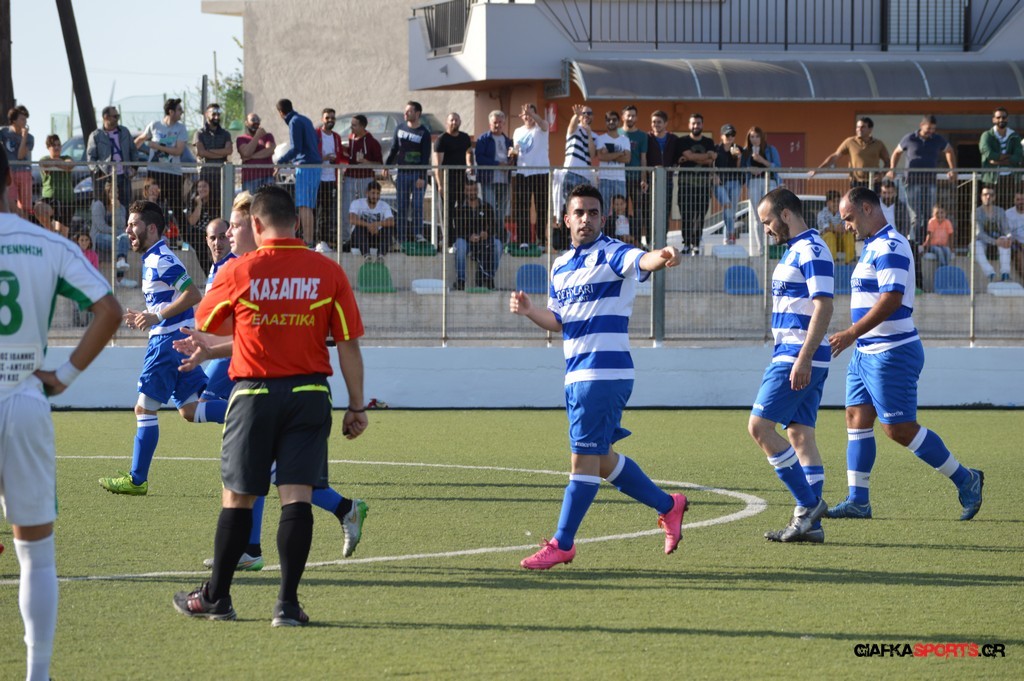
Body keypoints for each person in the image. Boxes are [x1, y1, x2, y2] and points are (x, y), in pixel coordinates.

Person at [172, 184, 367, 627]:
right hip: (310, 395)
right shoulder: (328, 271)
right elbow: (348, 344)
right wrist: (357, 406)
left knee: (238, 498)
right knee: (296, 496)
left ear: (256, 225)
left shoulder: (239, 270)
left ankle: (217, 598)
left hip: (254, 395)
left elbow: (207, 321)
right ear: (296, 223)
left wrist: (243, 323)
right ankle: (287, 606)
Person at [508, 183, 688, 569]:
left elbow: (642, 261)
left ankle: (563, 543)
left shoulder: (613, 253)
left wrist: (663, 255)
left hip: (603, 374)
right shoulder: (560, 266)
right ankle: (668, 505)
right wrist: (529, 312)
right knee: (601, 459)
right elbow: (558, 320)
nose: (586, 219)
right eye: (579, 212)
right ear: (566, 219)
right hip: (577, 375)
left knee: (582, 461)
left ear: (603, 218)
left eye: (593, 213)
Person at [0, 144, 122, 681]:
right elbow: (109, 310)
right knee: (36, 555)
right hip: (25, 397)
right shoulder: (45, 242)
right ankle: (38, 673)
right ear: (11, 182)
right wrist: (64, 376)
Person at [827, 187, 984, 522]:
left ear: (867, 208)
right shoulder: (872, 246)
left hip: (892, 352)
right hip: (866, 353)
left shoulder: (891, 244)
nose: (846, 226)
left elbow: (892, 298)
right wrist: (857, 339)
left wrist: (852, 332)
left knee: (898, 429)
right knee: (856, 418)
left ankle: (966, 478)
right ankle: (858, 500)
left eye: (849, 218)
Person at [98, 200, 212, 496]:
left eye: (133, 224)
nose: (127, 230)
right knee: (191, 410)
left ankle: (137, 480)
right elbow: (171, 299)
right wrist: (148, 315)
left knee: (144, 409)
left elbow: (193, 294)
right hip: (176, 341)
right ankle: (250, 415)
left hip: (166, 344)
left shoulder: (161, 259)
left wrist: (156, 317)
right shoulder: (154, 258)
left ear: (151, 228)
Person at [749, 187, 834, 543]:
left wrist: (804, 357)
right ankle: (810, 526)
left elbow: (824, 306)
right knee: (800, 436)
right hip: (795, 353)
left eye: (767, 221)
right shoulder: (794, 250)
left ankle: (809, 505)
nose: (766, 229)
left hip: (797, 355)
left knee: (759, 428)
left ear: (785, 215)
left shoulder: (812, 249)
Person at [888, 115, 956, 250]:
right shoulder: (909, 138)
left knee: (929, 215)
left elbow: (949, 150)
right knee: (916, 215)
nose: (931, 131)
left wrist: (952, 169)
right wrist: (892, 169)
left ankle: (926, 245)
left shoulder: (937, 139)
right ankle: (914, 244)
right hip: (912, 182)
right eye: (929, 128)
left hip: (930, 183)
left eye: (933, 129)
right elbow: (896, 153)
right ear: (921, 126)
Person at [384, 101, 433, 243]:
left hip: (418, 175)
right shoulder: (399, 128)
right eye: (405, 111)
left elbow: (425, 157)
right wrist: (387, 166)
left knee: (417, 205)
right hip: (402, 174)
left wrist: (422, 176)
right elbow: (394, 149)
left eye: (409, 111)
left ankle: (418, 235)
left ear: (417, 114)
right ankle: (401, 237)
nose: (405, 113)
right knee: (402, 206)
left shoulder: (424, 133)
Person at [276, 98, 322, 247]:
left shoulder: (294, 122)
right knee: (308, 206)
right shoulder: (305, 120)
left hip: (305, 166)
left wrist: (280, 161)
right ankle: (309, 240)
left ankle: (307, 241)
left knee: (304, 206)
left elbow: (296, 148)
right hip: (315, 166)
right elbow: (316, 140)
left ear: (281, 112)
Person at [136, 98, 188, 220]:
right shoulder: (155, 125)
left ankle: (184, 232)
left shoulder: (181, 128)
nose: (182, 112)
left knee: (177, 209)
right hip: (155, 173)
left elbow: (178, 151)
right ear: (171, 112)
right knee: (153, 207)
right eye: (179, 109)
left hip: (173, 173)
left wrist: (157, 146)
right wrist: (129, 155)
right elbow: (140, 139)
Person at [810, 116, 889, 190]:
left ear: (870, 129)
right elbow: (835, 156)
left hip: (874, 183)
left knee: (873, 201)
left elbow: (887, 161)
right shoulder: (850, 142)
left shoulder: (878, 144)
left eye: (863, 127)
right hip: (856, 182)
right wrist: (818, 169)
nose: (859, 129)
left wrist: (882, 174)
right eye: (857, 127)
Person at [676, 113, 717, 254]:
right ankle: (686, 244)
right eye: (693, 123)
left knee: (700, 216)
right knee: (686, 215)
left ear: (702, 125)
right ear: (689, 125)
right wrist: (705, 157)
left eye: (698, 123)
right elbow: (692, 155)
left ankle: (696, 244)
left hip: (703, 185)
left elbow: (711, 159)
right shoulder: (683, 141)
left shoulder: (709, 142)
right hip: (686, 185)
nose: (696, 126)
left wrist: (692, 158)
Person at [341, 114, 383, 248]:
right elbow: (350, 155)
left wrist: (366, 162)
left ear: (362, 126)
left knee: (366, 209)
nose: (351, 127)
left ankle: (368, 239)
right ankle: (346, 239)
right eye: (351, 124)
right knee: (346, 208)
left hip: (366, 178)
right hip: (350, 177)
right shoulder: (351, 138)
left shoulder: (372, 142)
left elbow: (379, 163)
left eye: (354, 125)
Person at [511, 104, 550, 246]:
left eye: (531, 113)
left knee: (542, 206)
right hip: (523, 172)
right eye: (526, 114)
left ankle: (541, 240)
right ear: (521, 116)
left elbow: (543, 124)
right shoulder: (517, 131)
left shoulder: (541, 128)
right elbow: (517, 149)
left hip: (541, 172)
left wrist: (532, 114)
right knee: (522, 207)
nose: (528, 117)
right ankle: (524, 240)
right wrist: (513, 152)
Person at [86, 105, 139, 210]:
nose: (117, 119)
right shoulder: (96, 135)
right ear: (106, 117)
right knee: (106, 206)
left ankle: (124, 221)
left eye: (118, 116)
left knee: (126, 206)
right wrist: (98, 171)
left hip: (124, 176)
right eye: (115, 116)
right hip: (106, 178)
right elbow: (90, 157)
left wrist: (134, 167)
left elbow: (133, 150)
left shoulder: (124, 131)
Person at [452, 180, 500, 290]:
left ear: (477, 190)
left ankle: (489, 277)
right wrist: (469, 236)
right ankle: (461, 280)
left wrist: (487, 233)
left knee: (497, 244)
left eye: (474, 190)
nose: (472, 192)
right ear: (465, 191)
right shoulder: (459, 209)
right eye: (469, 190)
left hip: (484, 242)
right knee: (460, 245)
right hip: (466, 242)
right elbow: (456, 230)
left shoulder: (487, 207)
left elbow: (494, 227)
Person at [433, 112, 474, 239]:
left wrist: (469, 164)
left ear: (460, 122)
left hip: (461, 179)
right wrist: (440, 185)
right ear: (447, 122)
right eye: (452, 120)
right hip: (446, 179)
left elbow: (469, 151)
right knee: (447, 211)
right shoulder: (441, 140)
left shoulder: (465, 137)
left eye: (456, 120)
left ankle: (460, 238)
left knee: (461, 210)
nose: (454, 122)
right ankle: (447, 240)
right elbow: (437, 165)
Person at [474, 110, 513, 241]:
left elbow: (512, 158)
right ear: (490, 123)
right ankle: (491, 235)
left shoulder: (508, 141)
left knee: (502, 210)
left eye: (500, 122)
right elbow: (479, 158)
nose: (498, 125)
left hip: (505, 180)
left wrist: (511, 162)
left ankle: (499, 236)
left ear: (504, 123)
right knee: (489, 208)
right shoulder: (483, 139)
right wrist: (497, 164)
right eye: (495, 122)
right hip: (488, 179)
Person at [89, 179, 135, 288]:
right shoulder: (98, 205)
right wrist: (117, 232)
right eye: (112, 192)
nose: (115, 194)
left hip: (114, 237)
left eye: (117, 192)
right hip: (99, 237)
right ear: (106, 192)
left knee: (123, 237)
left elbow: (121, 224)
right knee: (121, 238)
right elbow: (101, 227)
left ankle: (121, 262)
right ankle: (120, 278)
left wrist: (117, 209)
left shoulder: (121, 207)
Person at [742, 126, 781, 255]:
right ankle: (761, 249)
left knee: (772, 214)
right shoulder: (746, 151)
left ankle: (773, 245)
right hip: (754, 182)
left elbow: (777, 167)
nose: (754, 139)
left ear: (762, 137)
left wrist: (762, 161)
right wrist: (750, 169)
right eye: (752, 137)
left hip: (769, 181)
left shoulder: (770, 149)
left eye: (757, 136)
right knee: (757, 216)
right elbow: (742, 167)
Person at [979, 106, 1022, 207]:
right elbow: (988, 153)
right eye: (998, 117)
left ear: (1007, 119)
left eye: (1004, 117)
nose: (1001, 120)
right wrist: (1009, 158)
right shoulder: (987, 135)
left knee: (1010, 207)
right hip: (991, 179)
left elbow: (1018, 156)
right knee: (991, 208)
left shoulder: (1015, 136)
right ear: (993, 119)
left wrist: (997, 161)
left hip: (1011, 179)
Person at [646, 110, 680, 239]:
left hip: (667, 181)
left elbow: (678, 157)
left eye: (659, 122)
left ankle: (663, 240)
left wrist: (675, 164)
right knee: (649, 211)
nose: (656, 124)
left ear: (665, 123)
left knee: (665, 211)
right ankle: (650, 240)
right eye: (653, 122)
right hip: (650, 181)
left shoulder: (673, 139)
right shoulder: (647, 138)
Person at [314, 108, 343, 254]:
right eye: (327, 118)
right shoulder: (316, 134)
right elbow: (311, 154)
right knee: (317, 211)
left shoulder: (336, 137)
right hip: (318, 178)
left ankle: (324, 241)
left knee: (328, 211)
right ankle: (318, 241)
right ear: (322, 119)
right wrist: (324, 158)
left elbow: (340, 155)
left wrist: (336, 161)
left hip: (331, 178)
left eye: (333, 118)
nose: (330, 120)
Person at [621, 105, 650, 247]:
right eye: (628, 115)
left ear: (636, 118)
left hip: (636, 179)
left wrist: (644, 179)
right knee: (621, 211)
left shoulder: (642, 136)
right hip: (620, 179)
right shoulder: (618, 133)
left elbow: (643, 158)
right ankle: (622, 240)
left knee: (638, 211)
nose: (630, 118)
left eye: (633, 115)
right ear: (623, 117)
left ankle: (637, 240)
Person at [194, 102, 233, 205]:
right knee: (205, 204)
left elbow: (229, 151)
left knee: (221, 204)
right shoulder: (199, 133)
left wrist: (208, 151)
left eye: (218, 114)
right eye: (214, 114)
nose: (216, 117)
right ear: (206, 114)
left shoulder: (225, 134)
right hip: (205, 175)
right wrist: (221, 153)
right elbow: (200, 152)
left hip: (221, 176)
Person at [595, 110, 631, 219]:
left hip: (620, 180)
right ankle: (604, 230)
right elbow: (601, 157)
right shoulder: (600, 138)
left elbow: (627, 159)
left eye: (614, 120)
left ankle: (619, 230)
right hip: (604, 179)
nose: (611, 122)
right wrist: (620, 153)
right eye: (608, 120)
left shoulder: (625, 140)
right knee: (603, 210)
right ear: (605, 122)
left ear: (619, 122)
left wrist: (608, 155)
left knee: (620, 211)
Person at [713, 123, 745, 245]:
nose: (730, 137)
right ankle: (731, 234)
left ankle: (727, 237)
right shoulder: (716, 149)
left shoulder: (738, 149)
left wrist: (738, 157)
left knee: (731, 210)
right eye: (727, 135)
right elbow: (710, 164)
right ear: (721, 136)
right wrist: (714, 175)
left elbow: (741, 168)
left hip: (735, 182)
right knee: (727, 206)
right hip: (720, 183)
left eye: (732, 135)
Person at [39, 134, 76, 236]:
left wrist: (55, 163)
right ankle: (52, 234)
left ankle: (56, 238)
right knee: (39, 208)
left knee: (63, 236)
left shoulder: (66, 157)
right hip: (50, 199)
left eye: (58, 145)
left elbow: (70, 165)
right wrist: (60, 163)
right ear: (48, 147)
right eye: (53, 145)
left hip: (67, 201)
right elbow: (44, 164)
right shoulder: (44, 159)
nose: (56, 148)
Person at [1, 104, 34, 218]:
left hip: (24, 172)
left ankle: (25, 225)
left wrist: (24, 137)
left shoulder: (30, 138)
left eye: (26, 119)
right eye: (22, 119)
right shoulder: (3, 132)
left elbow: (20, 155)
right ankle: (18, 220)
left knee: (26, 207)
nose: (25, 121)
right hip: (9, 172)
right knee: (10, 202)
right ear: (14, 120)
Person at [974, 186, 1013, 282]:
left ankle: (1005, 274)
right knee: (975, 245)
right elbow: (979, 234)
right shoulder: (976, 212)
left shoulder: (1000, 211)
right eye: (985, 194)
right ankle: (990, 273)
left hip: (999, 240)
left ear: (994, 197)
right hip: (984, 241)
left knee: (1005, 240)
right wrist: (995, 241)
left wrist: (1009, 237)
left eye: (991, 195)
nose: (988, 197)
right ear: (981, 197)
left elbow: (1006, 229)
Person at [348, 180, 395, 258]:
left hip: (376, 235)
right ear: (367, 193)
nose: (375, 196)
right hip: (360, 238)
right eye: (373, 193)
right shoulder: (357, 203)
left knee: (388, 229)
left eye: (378, 193)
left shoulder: (384, 205)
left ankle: (381, 256)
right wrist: (368, 225)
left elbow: (391, 221)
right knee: (359, 227)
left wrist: (377, 224)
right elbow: (352, 219)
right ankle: (367, 255)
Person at [235, 112, 276, 194]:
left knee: (268, 201)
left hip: (267, 177)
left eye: (258, 119)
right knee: (250, 201)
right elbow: (246, 153)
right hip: (250, 178)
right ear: (246, 123)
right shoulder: (241, 139)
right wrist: (257, 136)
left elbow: (270, 150)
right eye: (253, 120)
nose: (256, 122)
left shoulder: (268, 136)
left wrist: (251, 157)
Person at [817, 189, 855, 264]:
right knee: (829, 235)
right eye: (834, 201)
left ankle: (850, 262)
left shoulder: (842, 213)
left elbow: (846, 227)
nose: (836, 204)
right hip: (826, 244)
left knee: (849, 235)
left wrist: (834, 228)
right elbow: (826, 229)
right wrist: (837, 228)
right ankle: (833, 261)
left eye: (838, 201)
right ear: (828, 203)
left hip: (840, 241)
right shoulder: (822, 213)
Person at [186, 178, 215, 272]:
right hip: (198, 234)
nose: (202, 189)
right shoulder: (193, 202)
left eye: (204, 186)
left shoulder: (216, 202)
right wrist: (199, 204)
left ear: (210, 188)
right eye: (199, 187)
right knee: (200, 246)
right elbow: (192, 221)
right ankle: (209, 273)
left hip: (212, 232)